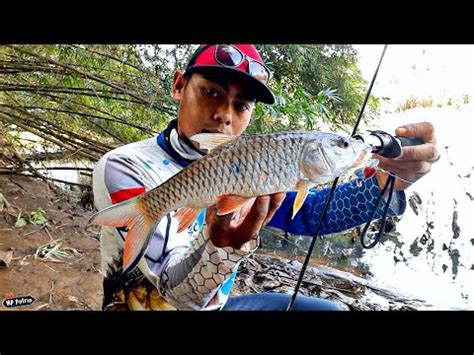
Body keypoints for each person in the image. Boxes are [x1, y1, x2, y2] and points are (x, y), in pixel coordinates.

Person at [92, 44, 440, 311]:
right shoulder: (124, 165)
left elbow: (309, 214)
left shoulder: (248, 164)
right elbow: (176, 292)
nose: (223, 115)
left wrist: (389, 183)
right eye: (211, 92)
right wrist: (221, 247)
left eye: (241, 105)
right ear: (180, 85)